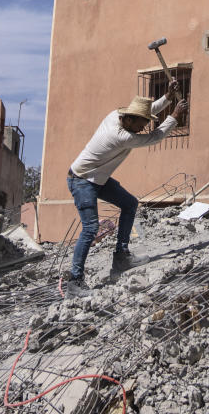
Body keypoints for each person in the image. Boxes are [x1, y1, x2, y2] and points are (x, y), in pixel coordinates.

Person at [65, 81, 189, 297]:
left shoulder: (117, 115)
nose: (144, 127)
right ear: (129, 120)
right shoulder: (121, 137)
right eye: (142, 124)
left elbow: (146, 111)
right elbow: (155, 137)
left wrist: (168, 98)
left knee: (130, 204)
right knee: (91, 228)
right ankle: (74, 282)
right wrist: (174, 117)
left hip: (97, 179)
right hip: (82, 180)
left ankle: (121, 257)